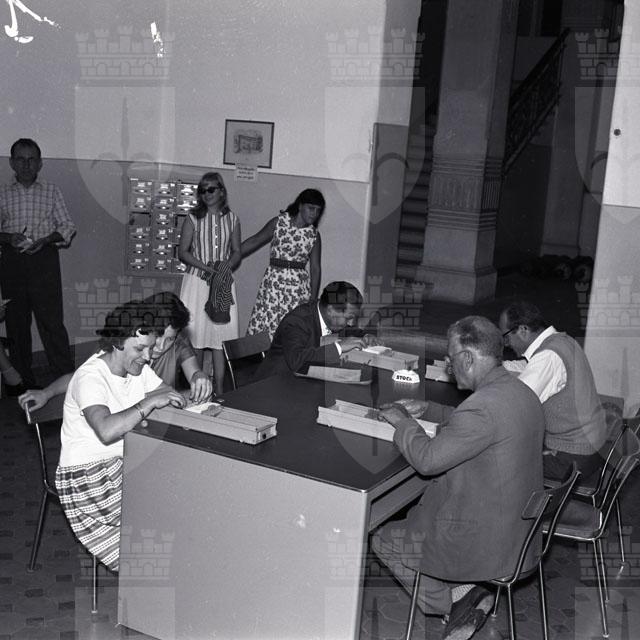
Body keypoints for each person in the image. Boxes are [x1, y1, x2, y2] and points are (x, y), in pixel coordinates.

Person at [373, 316, 544, 640]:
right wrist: (429, 409)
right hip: (521, 533)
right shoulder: (520, 392)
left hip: (487, 542)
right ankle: (465, 591)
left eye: (451, 360)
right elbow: (478, 425)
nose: (450, 368)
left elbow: (427, 461)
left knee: (383, 538)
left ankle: (456, 600)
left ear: (467, 358)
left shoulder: (481, 408)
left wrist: (403, 422)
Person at [53, 301, 186, 571]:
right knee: (168, 523)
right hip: (87, 477)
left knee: (184, 497)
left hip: (122, 465)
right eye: (140, 349)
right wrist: (147, 404)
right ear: (117, 343)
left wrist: (183, 394)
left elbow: (168, 394)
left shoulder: (137, 369)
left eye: (150, 347)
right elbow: (106, 430)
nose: (148, 356)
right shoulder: (91, 377)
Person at [19, 291, 213, 411]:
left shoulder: (179, 343)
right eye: (159, 336)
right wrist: (46, 393)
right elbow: (81, 376)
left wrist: (199, 376)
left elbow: (194, 372)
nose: (161, 346)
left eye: (170, 339)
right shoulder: (122, 344)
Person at [498, 301, 607, 481]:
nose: (507, 344)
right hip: (593, 448)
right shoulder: (563, 341)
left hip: (572, 458)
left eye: (506, 336)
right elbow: (526, 368)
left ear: (523, 329)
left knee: (493, 460)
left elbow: (515, 405)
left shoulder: (548, 356)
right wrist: (487, 367)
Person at [0, 138, 76, 387]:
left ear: (40, 163)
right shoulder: (2, 192)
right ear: (12, 163)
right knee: (16, 325)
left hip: (44, 260)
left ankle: (66, 380)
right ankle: (22, 384)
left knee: (52, 323)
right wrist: (9, 237)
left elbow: (67, 226)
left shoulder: (51, 190)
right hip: (12, 263)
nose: (26, 165)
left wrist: (46, 240)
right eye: (20, 159)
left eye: (31, 159)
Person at [178, 172, 241, 396]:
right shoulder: (192, 218)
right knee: (196, 336)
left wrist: (224, 268)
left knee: (220, 338)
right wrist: (206, 268)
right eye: (202, 190)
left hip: (221, 283)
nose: (207, 194)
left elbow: (237, 251)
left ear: (221, 191)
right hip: (197, 282)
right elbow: (183, 252)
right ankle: (196, 389)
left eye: (211, 189)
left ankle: (220, 391)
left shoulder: (232, 219)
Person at [242, 188, 324, 340]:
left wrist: (313, 299)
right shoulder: (279, 222)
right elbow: (255, 240)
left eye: (318, 211)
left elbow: (315, 269)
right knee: (266, 325)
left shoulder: (313, 235)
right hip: (273, 284)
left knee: (292, 330)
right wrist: (230, 257)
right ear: (300, 205)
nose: (314, 214)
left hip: (298, 290)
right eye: (311, 208)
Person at [256, 280, 377, 379]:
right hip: (275, 384)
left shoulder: (333, 320)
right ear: (331, 310)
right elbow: (297, 361)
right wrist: (339, 347)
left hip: (305, 381)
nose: (350, 323)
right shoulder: (297, 322)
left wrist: (366, 335)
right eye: (349, 318)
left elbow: (351, 331)